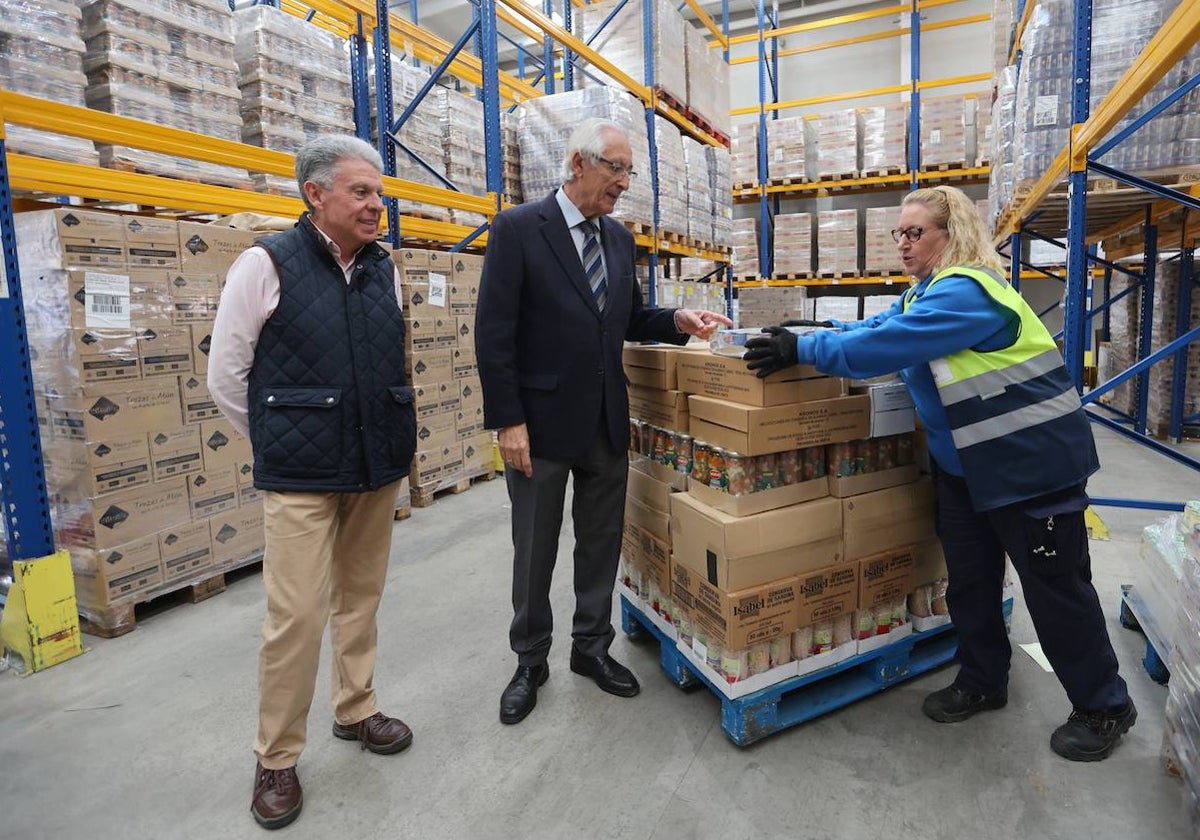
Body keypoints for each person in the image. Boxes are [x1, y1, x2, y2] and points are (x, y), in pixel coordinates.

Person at [743, 185, 1135, 762]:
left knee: (1056, 591)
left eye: (914, 232)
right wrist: (811, 326)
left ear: (952, 235)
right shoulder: (925, 293)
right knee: (970, 583)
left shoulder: (967, 292)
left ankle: (1105, 705)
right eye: (898, 233)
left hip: (1031, 469)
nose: (902, 243)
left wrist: (807, 349)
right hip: (966, 470)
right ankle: (983, 679)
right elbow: (880, 326)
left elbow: (887, 345)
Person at [475, 118, 732, 726]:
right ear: (577, 165)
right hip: (537, 425)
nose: (623, 182)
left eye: (628, 172)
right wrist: (507, 421)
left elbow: (628, 318)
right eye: (615, 168)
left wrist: (676, 320)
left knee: (599, 543)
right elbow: (493, 335)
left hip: (606, 420)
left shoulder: (620, 241)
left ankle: (591, 649)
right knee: (534, 548)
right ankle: (530, 660)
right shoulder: (518, 230)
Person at [209, 135, 418, 829]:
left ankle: (355, 708)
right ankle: (276, 757)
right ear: (315, 195)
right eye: (361, 193)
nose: (376, 206)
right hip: (301, 476)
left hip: (373, 465)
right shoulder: (264, 264)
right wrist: (277, 443)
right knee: (295, 617)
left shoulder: (383, 269)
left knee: (360, 597)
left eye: (379, 194)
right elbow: (226, 376)